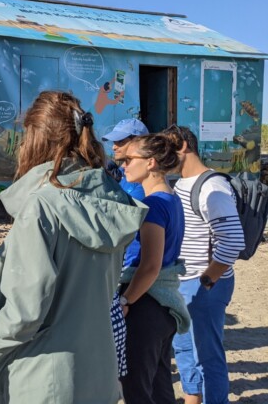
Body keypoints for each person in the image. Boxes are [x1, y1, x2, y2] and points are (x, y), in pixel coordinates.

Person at [0, 91, 147, 403]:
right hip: (99, 372)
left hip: (44, 376)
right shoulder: (112, 200)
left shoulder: (42, 205)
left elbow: (26, 310)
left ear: (35, 139)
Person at [163, 125, 245, 404]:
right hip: (182, 284)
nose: (163, 156)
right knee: (185, 351)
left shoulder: (212, 186)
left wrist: (206, 281)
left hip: (204, 285)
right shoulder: (179, 183)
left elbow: (233, 240)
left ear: (184, 146)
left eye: (167, 148)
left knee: (207, 357)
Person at [118, 134, 190, 403]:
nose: (124, 166)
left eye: (128, 159)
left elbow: (150, 266)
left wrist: (126, 300)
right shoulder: (171, 199)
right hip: (163, 305)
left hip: (146, 303)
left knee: (136, 388)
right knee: (159, 385)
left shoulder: (154, 205)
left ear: (149, 163)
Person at [102, 117, 149, 379]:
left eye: (121, 141)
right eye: (114, 140)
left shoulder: (140, 187)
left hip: (132, 274)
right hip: (122, 270)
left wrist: (128, 297)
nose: (115, 146)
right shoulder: (124, 178)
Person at [102, 118, 150, 201]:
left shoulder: (143, 180)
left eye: (120, 142)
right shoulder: (121, 171)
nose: (114, 147)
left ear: (139, 142)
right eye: (114, 142)